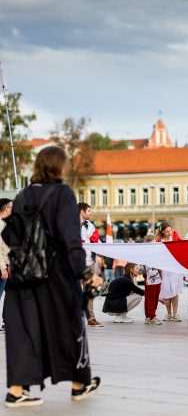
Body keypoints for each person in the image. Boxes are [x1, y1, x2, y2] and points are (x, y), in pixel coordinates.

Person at [1, 146, 101, 407]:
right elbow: (70, 239)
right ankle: (80, 384)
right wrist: (85, 271)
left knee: (23, 330)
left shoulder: (23, 195)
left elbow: (11, 235)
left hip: (23, 275)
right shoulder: (63, 194)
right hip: (55, 275)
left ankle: (16, 390)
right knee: (69, 325)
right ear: (59, 166)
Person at [79, 202, 103, 328]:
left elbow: (97, 241)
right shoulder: (69, 225)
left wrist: (108, 247)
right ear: (82, 212)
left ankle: (91, 318)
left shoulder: (90, 226)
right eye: (88, 211)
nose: (90, 213)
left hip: (89, 263)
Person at [156, 222, 184, 322]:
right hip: (164, 269)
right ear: (162, 231)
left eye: (170, 230)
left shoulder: (175, 236)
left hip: (174, 267)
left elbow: (182, 245)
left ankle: (175, 314)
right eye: (167, 231)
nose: (169, 233)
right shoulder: (159, 240)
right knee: (166, 292)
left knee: (175, 291)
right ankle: (168, 314)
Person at [143, 234, 162, 325]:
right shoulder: (147, 255)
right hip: (151, 280)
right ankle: (152, 316)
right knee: (151, 299)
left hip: (156, 279)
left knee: (153, 298)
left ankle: (148, 316)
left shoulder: (155, 253)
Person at [0, 198, 12, 334]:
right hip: (2, 265)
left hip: (9, 264)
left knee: (10, 296)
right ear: (6, 208)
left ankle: (6, 321)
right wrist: (2, 267)